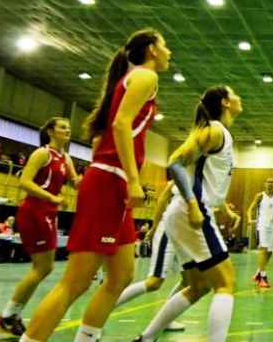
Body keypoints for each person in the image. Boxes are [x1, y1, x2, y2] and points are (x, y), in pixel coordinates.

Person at [20, 29, 171, 342]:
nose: (170, 52)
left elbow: (104, 136)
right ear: (152, 50)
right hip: (110, 182)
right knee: (75, 282)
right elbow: (120, 124)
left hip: (111, 182)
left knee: (121, 276)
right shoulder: (146, 76)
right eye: (165, 46)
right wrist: (133, 179)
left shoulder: (128, 81)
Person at [132, 84, 242, 342]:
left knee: (199, 286)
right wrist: (193, 204)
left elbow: (204, 177)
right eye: (233, 94)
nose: (239, 97)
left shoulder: (220, 132)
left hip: (184, 213)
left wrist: (223, 208)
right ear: (225, 102)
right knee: (225, 283)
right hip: (191, 210)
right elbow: (175, 163)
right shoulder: (215, 130)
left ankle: (146, 338)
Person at [0, 117, 80, 337]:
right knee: (41, 268)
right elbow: (25, 182)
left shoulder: (66, 158)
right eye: (62, 127)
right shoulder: (42, 153)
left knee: (45, 268)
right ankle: (7, 315)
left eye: (69, 128)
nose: (67, 130)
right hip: (34, 211)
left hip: (49, 213)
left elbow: (76, 182)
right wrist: (52, 197)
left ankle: (12, 315)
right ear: (50, 131)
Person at [113, 180, 187, 333]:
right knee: (154, 282)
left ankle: (167, 319)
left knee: (189, 280)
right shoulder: (186, 175)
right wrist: (154, 227)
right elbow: (163, 197)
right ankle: (101, 312)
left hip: (184, 233)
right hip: (170, 229)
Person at [246, 177, 273, 288]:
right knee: (263, 250)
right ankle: (263, 278)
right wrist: (249, 219)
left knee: (270, 252)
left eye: (272, 182)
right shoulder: (260, 196)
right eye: (268, 182)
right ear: (265, 184)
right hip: (262, 226)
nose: (270, 184)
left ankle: (257, 274)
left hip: (272, 227)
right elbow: (250, 209)